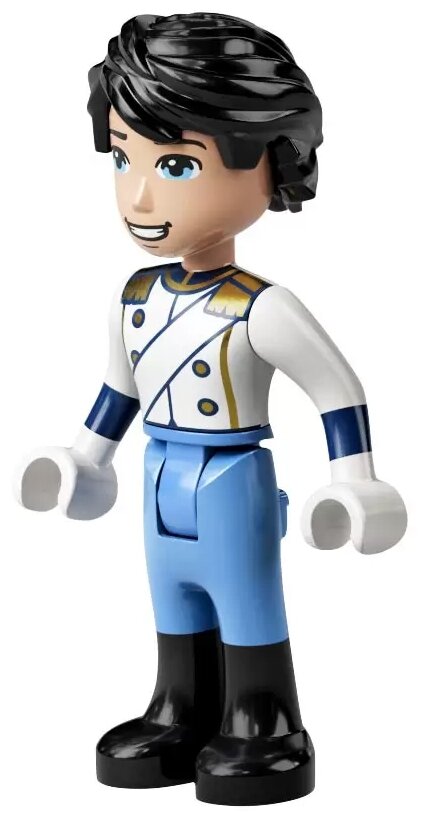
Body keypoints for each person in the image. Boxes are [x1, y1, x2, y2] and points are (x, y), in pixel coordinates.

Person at [15, 12, 407, 807]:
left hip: (232, 481)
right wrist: (84, 458)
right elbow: (119, 392)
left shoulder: (262, 307)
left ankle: (266, 723)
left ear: (269, 162)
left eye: (176, 165)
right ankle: (179, 710)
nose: (140, 195)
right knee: (173, 600)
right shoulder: (134, 298)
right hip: (160, 473)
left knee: (247, 601)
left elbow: (338, 390)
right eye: (123, 157)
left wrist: (355, 481)